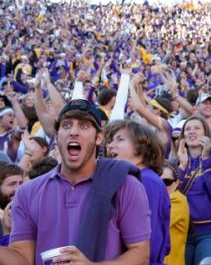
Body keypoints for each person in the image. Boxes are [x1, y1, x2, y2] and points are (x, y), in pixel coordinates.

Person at [0, 99, 151, 264]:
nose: (74, 131)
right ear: (57, 137)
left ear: (99, 138)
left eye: (84, 126)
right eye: (66, 125)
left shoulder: (126, 185)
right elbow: (23, 259)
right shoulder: (27, 192)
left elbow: (140, 253)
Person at [105, 119, 171, 265]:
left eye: (120, 139)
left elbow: (149, 242)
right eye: (110, 141)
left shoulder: (147, 181)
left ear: (140, 148)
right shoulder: (133, 179)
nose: (110, 145)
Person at [176, 116, 211, 265]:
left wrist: (205, 159)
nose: (192, 132)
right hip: (183, 231)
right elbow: (173, 196)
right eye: (188, 129)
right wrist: (182, 167)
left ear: (205, 133)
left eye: (197, 128)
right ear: (183, 136)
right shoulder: (176, 163)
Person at [162, 161, 190, 265]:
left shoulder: (178, 200)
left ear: (177, 182)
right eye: (158, 181)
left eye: (167, 182)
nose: (162, 186)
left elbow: (158, 221)